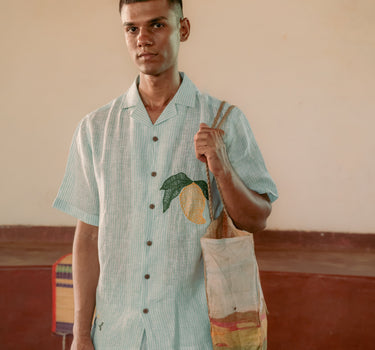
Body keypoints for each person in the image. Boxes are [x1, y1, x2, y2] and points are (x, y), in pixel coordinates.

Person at [53, 0, 278, 349]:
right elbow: (88, 238)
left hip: (195, 333)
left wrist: (222, 168)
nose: (143, 38)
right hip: (115, 334)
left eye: (157, 25)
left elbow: (257, 220)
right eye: (132, 28)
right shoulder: (95, 130)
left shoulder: (223, 121)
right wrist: (82, 335)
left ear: (183, 29)